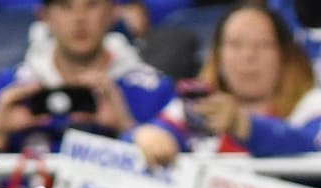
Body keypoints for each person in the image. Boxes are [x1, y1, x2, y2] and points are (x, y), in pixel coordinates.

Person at [0, 0, 176, 155]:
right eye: (65, 6)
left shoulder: (153, 89)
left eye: (92, 5)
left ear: (114, 13)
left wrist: (127, 128)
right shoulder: (8, 89)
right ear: (44, 16)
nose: (79, 18)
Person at [133, 4, 321, 166]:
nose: (249, 56)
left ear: (285, 56)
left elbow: (312, 147)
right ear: (218, 56)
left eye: (263, 45)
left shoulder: (313, 105)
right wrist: (145, 136)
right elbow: (147, 135)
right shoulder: (198, 105)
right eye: (235, 44)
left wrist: (245, 125)